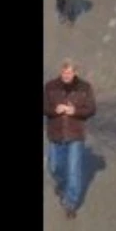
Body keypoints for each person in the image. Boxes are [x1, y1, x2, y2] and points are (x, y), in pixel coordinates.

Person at [44, 60, 97, 220]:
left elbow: (91, 109)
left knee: (74, 171)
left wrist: (74, 110)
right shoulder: (50, 86)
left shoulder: (85, 87)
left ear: (75, 73)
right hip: (56, 133)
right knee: (55, 167)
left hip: (75, 134)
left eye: (69, 72)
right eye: (64, 72)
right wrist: (55, 109)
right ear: (61, 72)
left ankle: (70, 203)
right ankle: (61, 183)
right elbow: (44, 107)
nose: (66, 75)